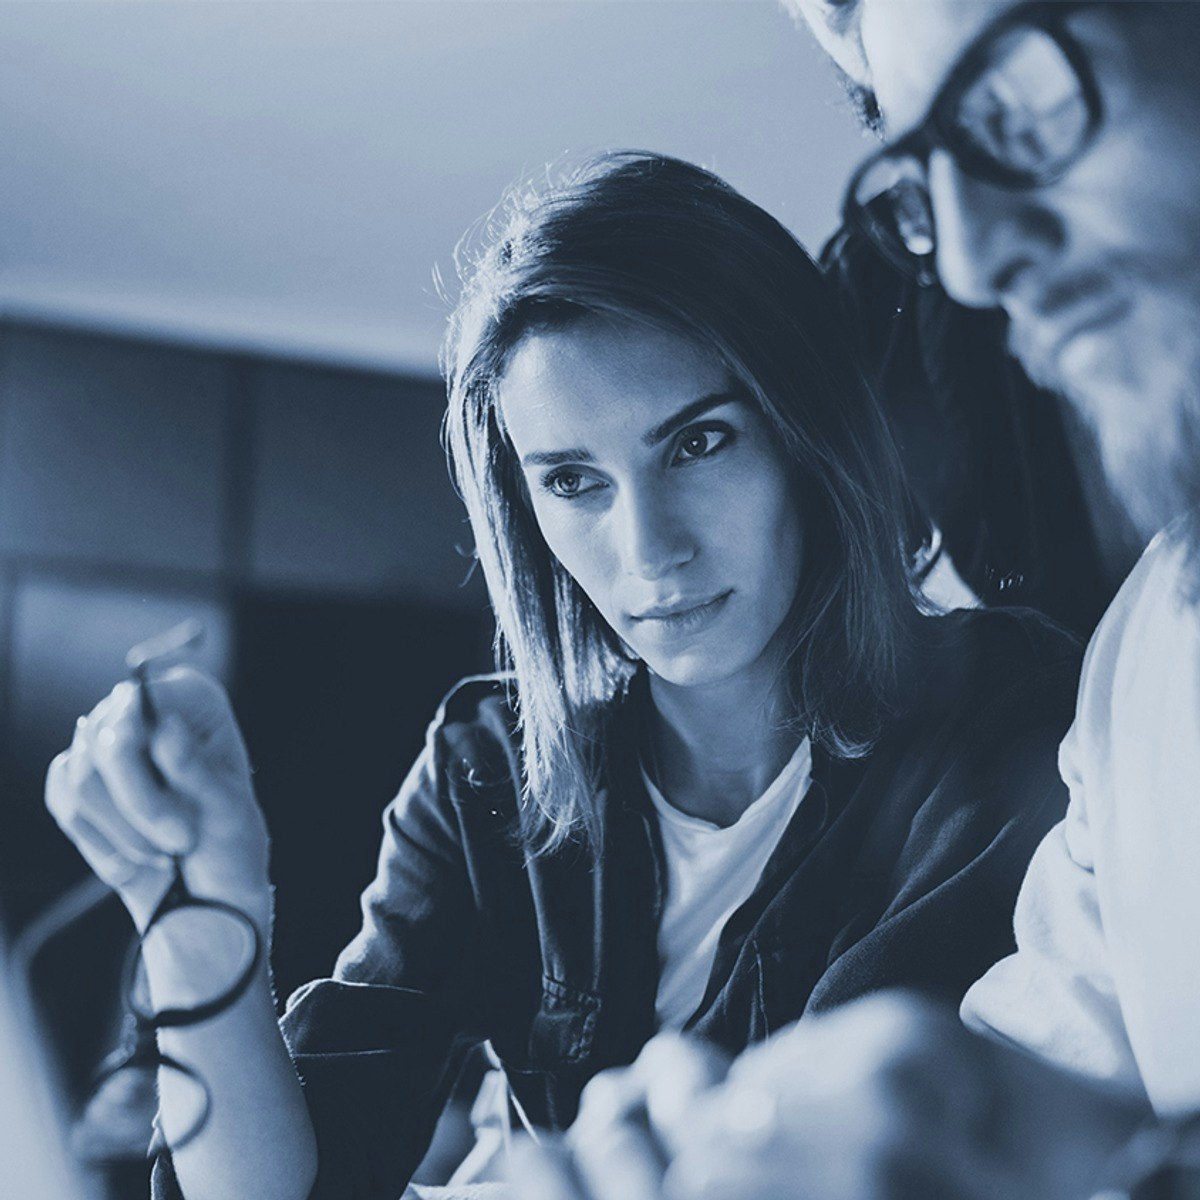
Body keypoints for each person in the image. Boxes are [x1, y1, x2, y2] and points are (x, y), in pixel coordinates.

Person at [45, 152, 1078, 1200]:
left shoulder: (1001, 711)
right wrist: (198, 903)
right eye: (575, 480)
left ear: (807, 434)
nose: (650, 551)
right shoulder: (489, 766)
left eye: (699, 443)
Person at [532, 4, 1200, 1197]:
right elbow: (1027, 1083)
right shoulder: (1145, 664)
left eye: (1017, 102)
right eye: (922, 168)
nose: (971, 261)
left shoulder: (1006, 705)